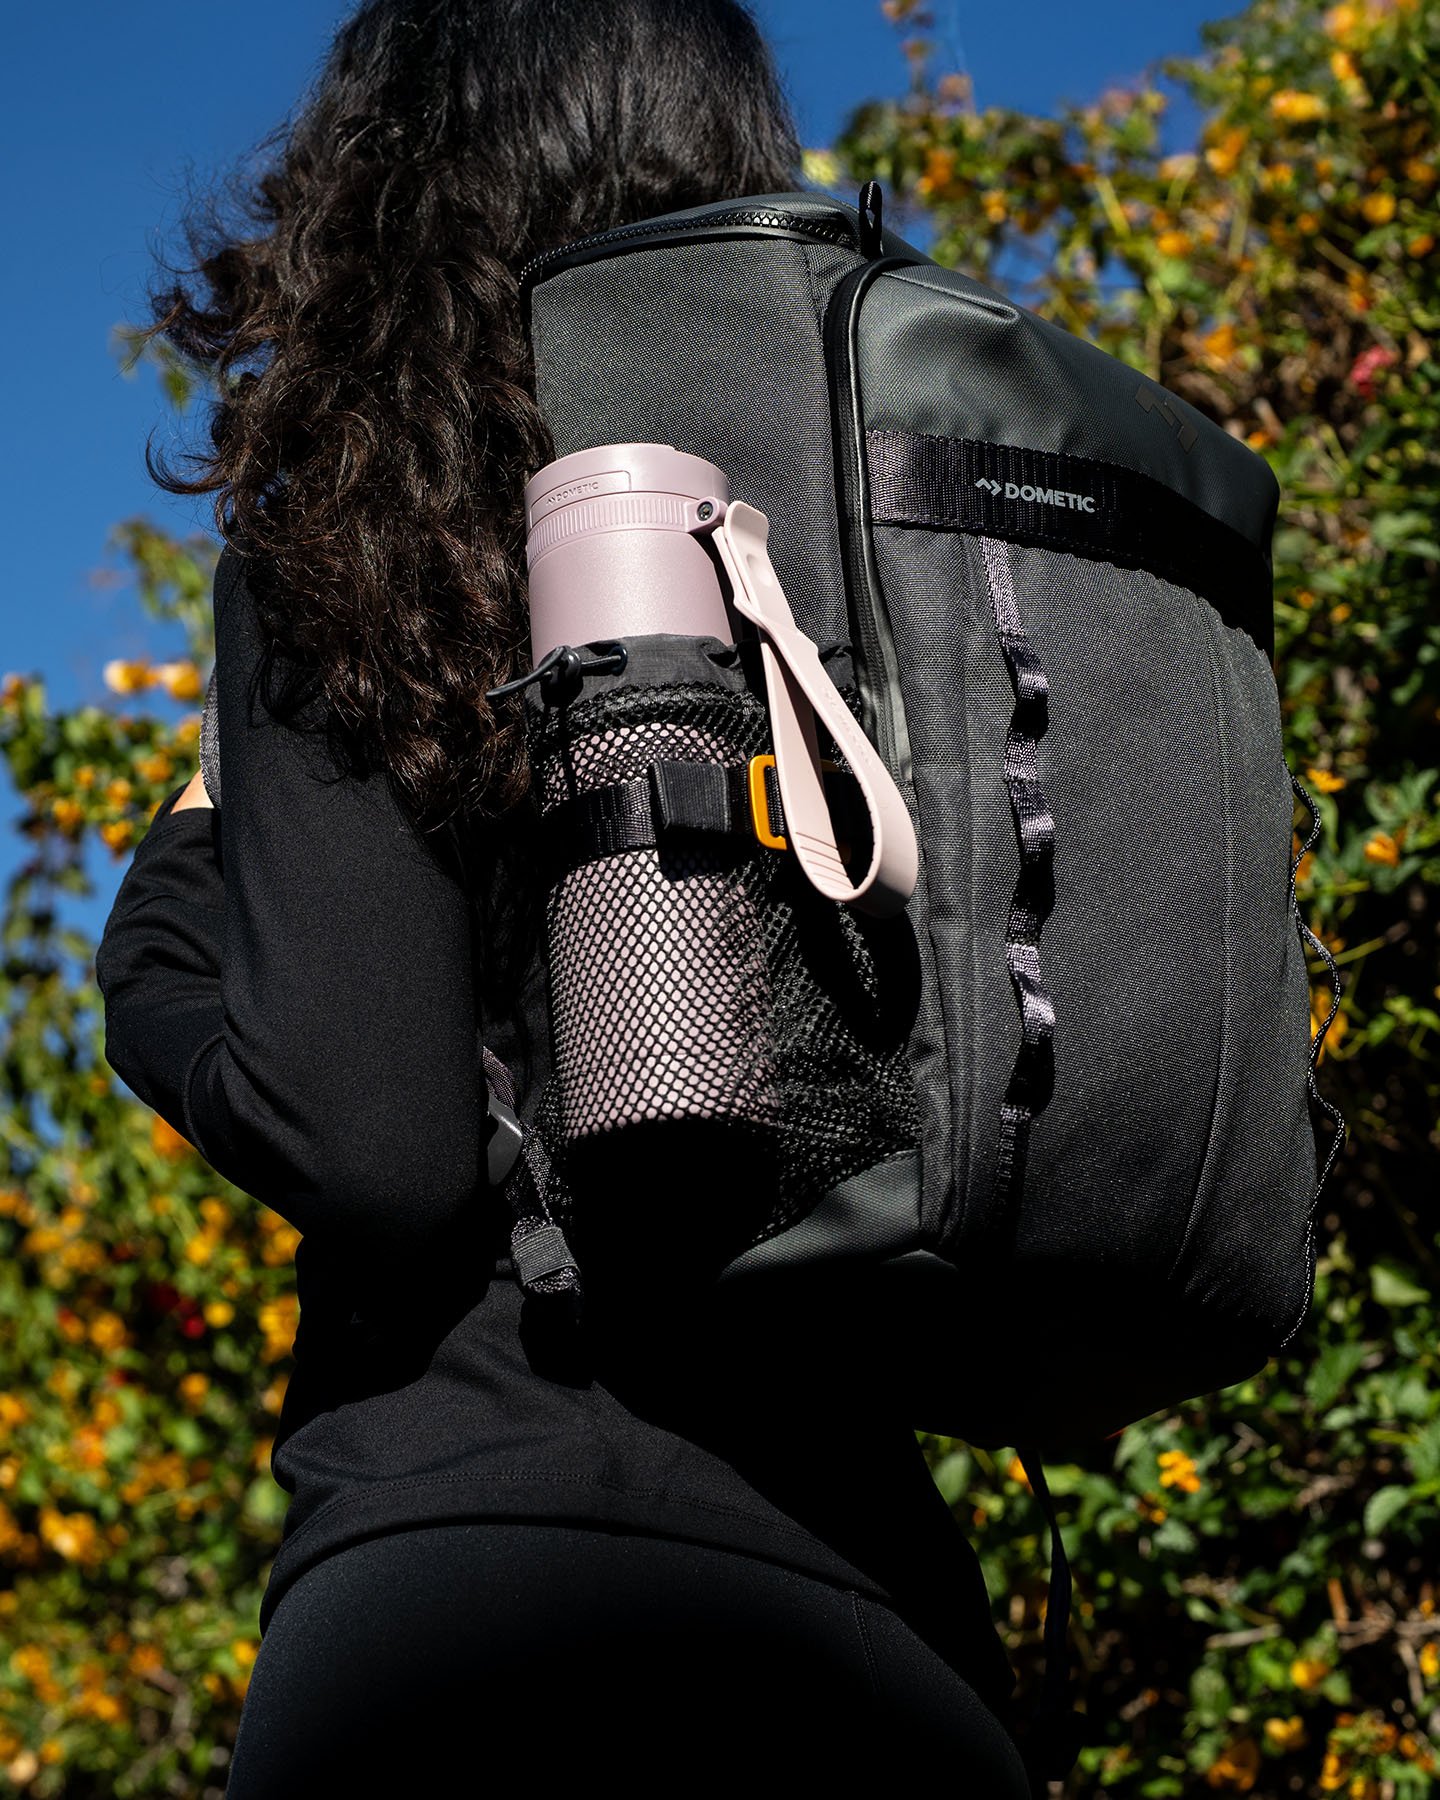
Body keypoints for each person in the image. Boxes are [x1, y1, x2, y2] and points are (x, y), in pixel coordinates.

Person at [95, 1, 1033, 1790]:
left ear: (385, 170)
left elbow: (369, 1146)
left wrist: (164, 918)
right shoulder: (858, 529)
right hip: (886, 1627)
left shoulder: (363, 530)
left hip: (475, 1600)